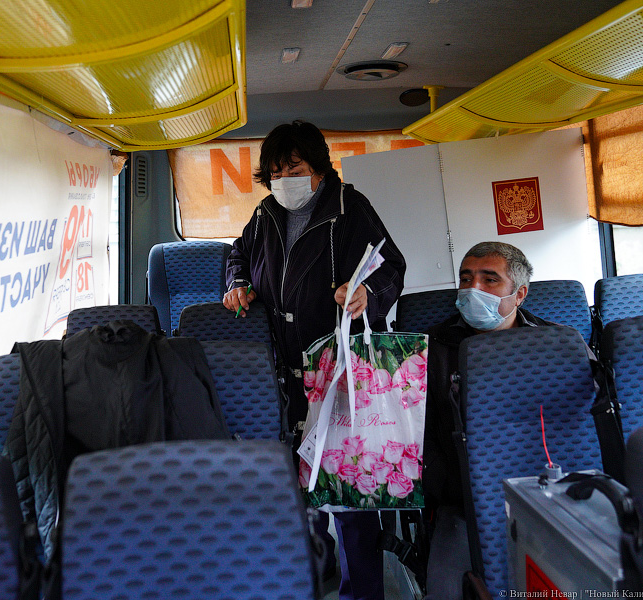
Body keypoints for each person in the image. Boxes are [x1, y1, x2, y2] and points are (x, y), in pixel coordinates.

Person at [223, 120, 406, 600]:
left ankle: (361, 592)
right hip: (283, 373)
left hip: (339, 368)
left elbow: (390, 265)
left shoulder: (348, 207)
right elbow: (237, 253)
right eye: (276, 172)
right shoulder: (265, 213)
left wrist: (366, 293)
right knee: (298, 490)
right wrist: (237, 282)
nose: (284, 180)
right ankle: (314, 575)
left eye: (295, 168)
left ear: (320, 169)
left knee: (348, 491)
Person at [422, 241, 555, 599]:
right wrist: (448, 487)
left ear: (520, 294)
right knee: (445, 590)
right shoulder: (430, 348)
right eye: (466, 279)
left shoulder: (554, 345)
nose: (473, 288)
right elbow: (417, 430)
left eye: (489, 279)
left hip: (543, 493)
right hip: (460, 500)